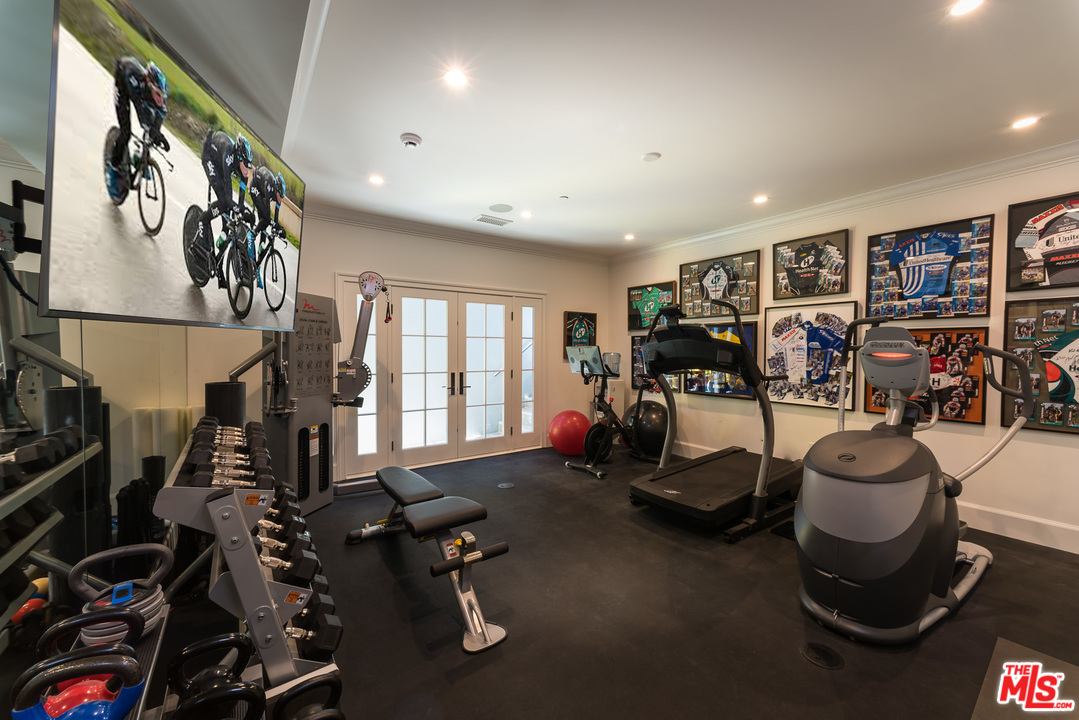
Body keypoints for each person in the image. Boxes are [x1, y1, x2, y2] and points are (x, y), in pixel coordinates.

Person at [107, 58, 170, 200]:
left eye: (162, 95)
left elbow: (159, 118)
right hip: (123, 83)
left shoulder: (159, 95)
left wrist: (158, 134)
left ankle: (139, 157)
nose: (160, 99)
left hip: (139, 91)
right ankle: (113, 168)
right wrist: (153, 132)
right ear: (149, 84)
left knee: (152, 130)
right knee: (125, 132)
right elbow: (142, 117)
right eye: (157, 94)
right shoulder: (136, 83)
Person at [197, 130, 253, 287]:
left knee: (229, 218)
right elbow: (228, 197)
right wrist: (235, 208)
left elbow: (240, 202)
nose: (246, 170)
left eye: (249, 166)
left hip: (220, 163)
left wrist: (243, 211)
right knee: (223, 201)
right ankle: (203, 220)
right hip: (210, 157)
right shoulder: (229, 154)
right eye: (245, 165)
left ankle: (218, 263)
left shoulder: (245, 169)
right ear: (239, 158)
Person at [247, 166, 287, 288]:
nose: (281, 200)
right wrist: (275, 225)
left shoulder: (278, 195)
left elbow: (275, 216)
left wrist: (277, 229)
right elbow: (268, 217)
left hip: (263, 193)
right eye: (280, 197)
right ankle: (251, 234)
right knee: (264, 217)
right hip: (255, 187)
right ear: (276, 191)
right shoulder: (270, 187)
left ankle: (257, 267)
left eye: (283, 197)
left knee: (265, 234)